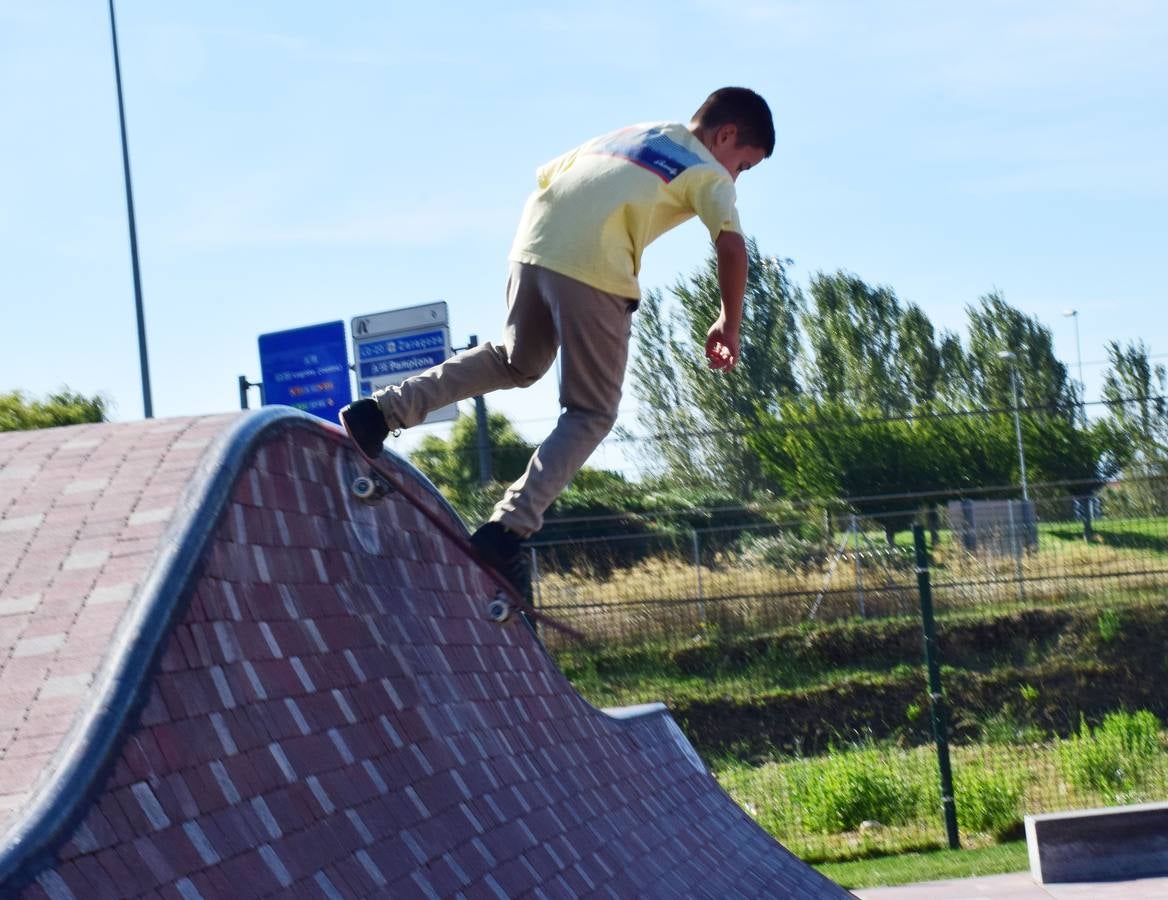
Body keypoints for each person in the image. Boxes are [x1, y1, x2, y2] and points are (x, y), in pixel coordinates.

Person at [341, 86, 774, 596]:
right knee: (591, 412)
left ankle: (378, 412)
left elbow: (553, 177)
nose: (736, 176)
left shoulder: (633, 135)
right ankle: (506, 531)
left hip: (532, 246)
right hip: (595, 267)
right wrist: (729, 320)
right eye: (743, 165)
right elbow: (731, 247)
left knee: (516, 362)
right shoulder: (707, 171)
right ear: (725, 135)